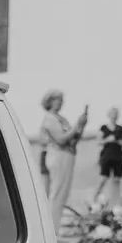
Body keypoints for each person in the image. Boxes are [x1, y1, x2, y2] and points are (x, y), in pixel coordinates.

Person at [39, 90, 87, 230]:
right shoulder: (49, 118)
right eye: (57, 99)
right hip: (57, 155)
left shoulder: (61, 118)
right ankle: (52, 230)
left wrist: (81, 126)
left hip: (67, 155)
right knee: (57, 194)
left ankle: (54, 228)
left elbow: (73, 140)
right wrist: (77, 125)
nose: (60, 102)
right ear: (50, 101)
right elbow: (60, 139)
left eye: (61, 99)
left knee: (61, 194)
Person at [93, 107, 122, 208]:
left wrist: (115, 140)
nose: (114, 115)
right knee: (103, 178)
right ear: (109, 115)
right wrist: (108, 139)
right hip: (106, 155)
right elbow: (99, 141)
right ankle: (94, 198)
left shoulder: (121, 129)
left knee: (117, 179)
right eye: (112, 113)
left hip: (118, 156)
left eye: (116, 113)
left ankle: (116, 202)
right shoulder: (103, 128)